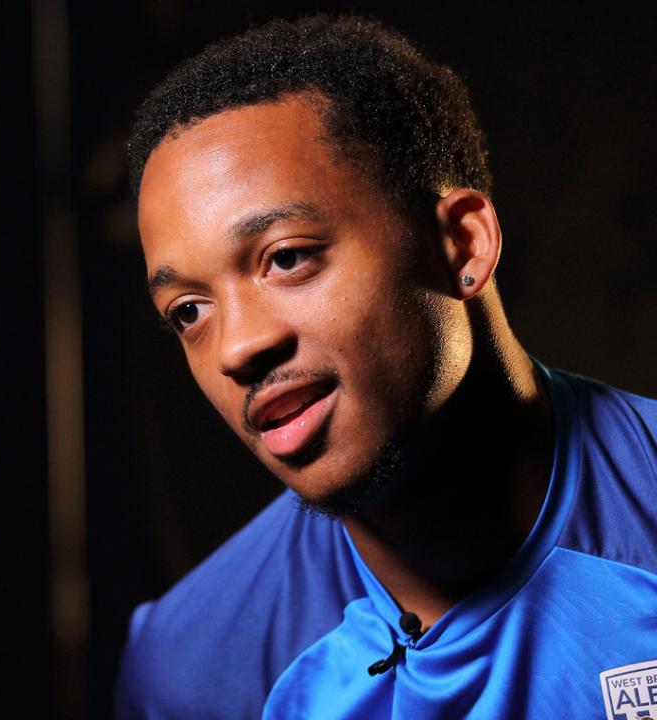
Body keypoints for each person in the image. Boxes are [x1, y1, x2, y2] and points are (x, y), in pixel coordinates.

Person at [116, 14, 657, 720]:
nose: (236, 348)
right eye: (189, 310)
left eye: (287, 257)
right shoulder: (194, 668)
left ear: (462, 244)